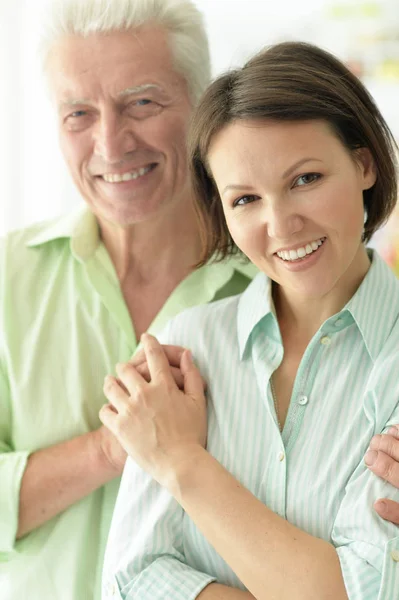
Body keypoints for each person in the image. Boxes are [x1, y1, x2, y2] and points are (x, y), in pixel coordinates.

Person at [101, 41, 399, 600]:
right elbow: (129, 581)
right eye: (244, 200)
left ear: (364, 164)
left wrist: (182, 460)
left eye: (305, 179)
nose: (281, 225)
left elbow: (362, 591)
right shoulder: (186, 346)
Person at [0, 1, 256, 599]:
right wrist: (114, 448)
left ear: (202, 105)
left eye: (142, 103)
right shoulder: (7, 275)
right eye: (79, 114)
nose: (111, 145)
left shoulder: (278, 285)